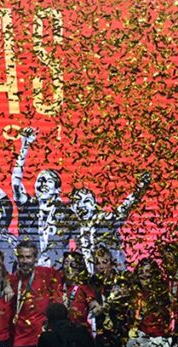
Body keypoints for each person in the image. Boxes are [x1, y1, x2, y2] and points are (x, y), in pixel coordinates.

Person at [11, 128, 76, 267]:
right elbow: (16, 183)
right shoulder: (28, 207)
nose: (43, 184)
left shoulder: (67, 214)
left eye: (49, 181)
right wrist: (25, 147)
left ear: (58, 190)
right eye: (40, 180)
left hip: (56, 272)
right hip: (27, 270)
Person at [69, 172, 150, 272]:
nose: (82, 206)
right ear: (72, 207)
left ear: (94, 204)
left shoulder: (103, 220)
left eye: (86, 201)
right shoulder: (76, 231)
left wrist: (139, 189)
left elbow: (124, 209)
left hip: (116, 275)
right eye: (77, 202)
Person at [59, 252, 95, 330]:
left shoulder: (85, 288)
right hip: (60, 333)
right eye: (66, 263)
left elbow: (95, 306)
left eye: (73, 264)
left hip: (80, 333)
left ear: (79, 269)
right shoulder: (58, 286)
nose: (69, 267)